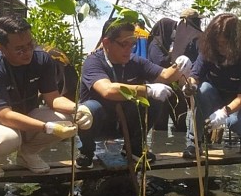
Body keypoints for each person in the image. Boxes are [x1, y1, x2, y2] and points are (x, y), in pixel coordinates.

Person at [0, 15, 93, 178]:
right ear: (3, 49)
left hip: (27, 113)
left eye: (30, 45)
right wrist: (47, 127)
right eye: (19, 49)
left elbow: (53, 98)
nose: (28, 52)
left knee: (67, 118)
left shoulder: (42, 59)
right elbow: (5, 115)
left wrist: (79, 108)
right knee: (8, 139)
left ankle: (27, 154)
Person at [75, 17, 191, 169]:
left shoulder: (135, 61)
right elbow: (107, 90)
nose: (129, 49)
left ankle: (135, 148)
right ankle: (86, 152)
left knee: (154, 100)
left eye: (132, 44)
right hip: (97, 124)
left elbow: (165, 75)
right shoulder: (93, 62)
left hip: (126, 122)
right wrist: (147, 90)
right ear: (106, 43)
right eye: (124, 44)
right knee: (89, 108)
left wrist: (179, 66)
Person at [182, 13, 241, 159]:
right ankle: (194, 142)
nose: (220, 47)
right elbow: (195, 77)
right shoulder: (208, 51)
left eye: (224, 43)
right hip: (216, 95)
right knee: (202, 90)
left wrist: (224, 113)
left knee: (238, 122)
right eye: (217, 43)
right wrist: (190, 86)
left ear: (235, 42)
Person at [170, 8, 204, 132]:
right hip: (184, 78)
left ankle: (191, 132)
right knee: (185, 105)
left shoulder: (192, 36)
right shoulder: (194, 36)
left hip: (186, 77)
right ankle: (188, 132)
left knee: (189, 105)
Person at [146, 17, 180, 130]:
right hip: (157, 85)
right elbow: (159, 62)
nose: (174, 32)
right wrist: (172, 55)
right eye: (172, 29)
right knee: (160, 121)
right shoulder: (155, 44)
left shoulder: (164, 44)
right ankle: (159, 146)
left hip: (166, 84)